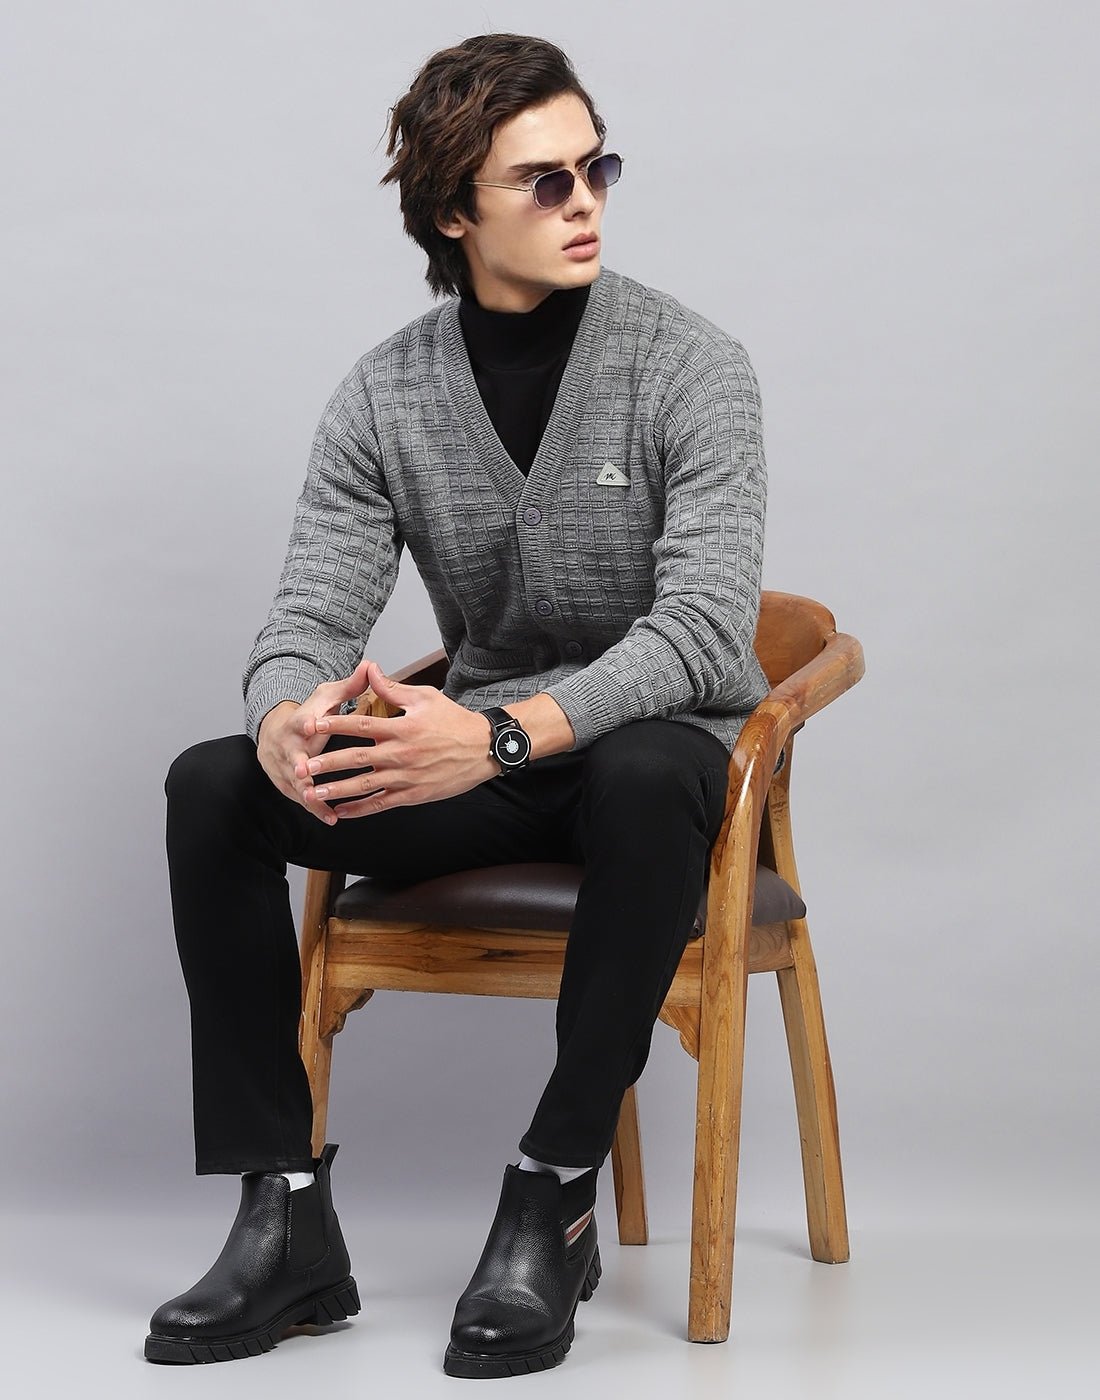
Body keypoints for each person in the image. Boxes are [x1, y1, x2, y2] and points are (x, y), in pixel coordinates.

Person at [146, 32, 769, 1377]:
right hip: (477, 766)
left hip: (641, 771)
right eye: (544, 181)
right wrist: (286, 716)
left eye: (596, 167)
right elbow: (309, 617)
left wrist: (497, 734)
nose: (586, 200)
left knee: (650, 770)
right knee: (215, 785)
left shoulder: (691, 365)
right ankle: (284, 1215)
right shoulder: (384, 394)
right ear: (452, 214)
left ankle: (554, 1190)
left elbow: (709, 631)